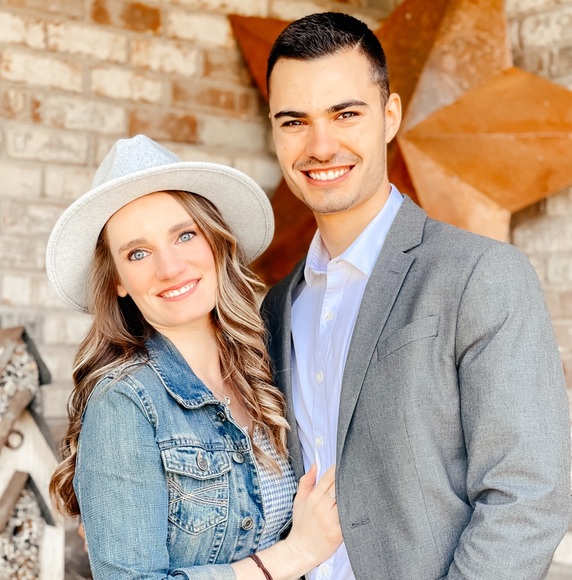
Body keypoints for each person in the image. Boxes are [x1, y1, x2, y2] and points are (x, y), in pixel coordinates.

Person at [261, 11, 571, 580]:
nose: (321, 145)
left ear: (390, 116)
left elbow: (529, 494)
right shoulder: (277, 308)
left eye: (346, 114)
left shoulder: (480, 274)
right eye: (295, 121)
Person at [46, 134, 342, 579]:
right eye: (138, 253)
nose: (169, 268)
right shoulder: (125, 403)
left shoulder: (265, 367)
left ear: (216, 241)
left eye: (185, 235)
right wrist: (295, 554)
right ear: (118, 280)